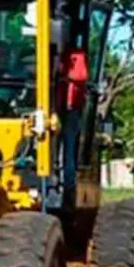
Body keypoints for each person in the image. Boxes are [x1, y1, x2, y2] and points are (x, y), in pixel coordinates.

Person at [55, 44, 89, 199]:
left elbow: (81, 76)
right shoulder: (49, 56)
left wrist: (63, 75)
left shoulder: (76, 55)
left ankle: (68, 183)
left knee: (68, 144)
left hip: (70, 110)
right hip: (55, 106)